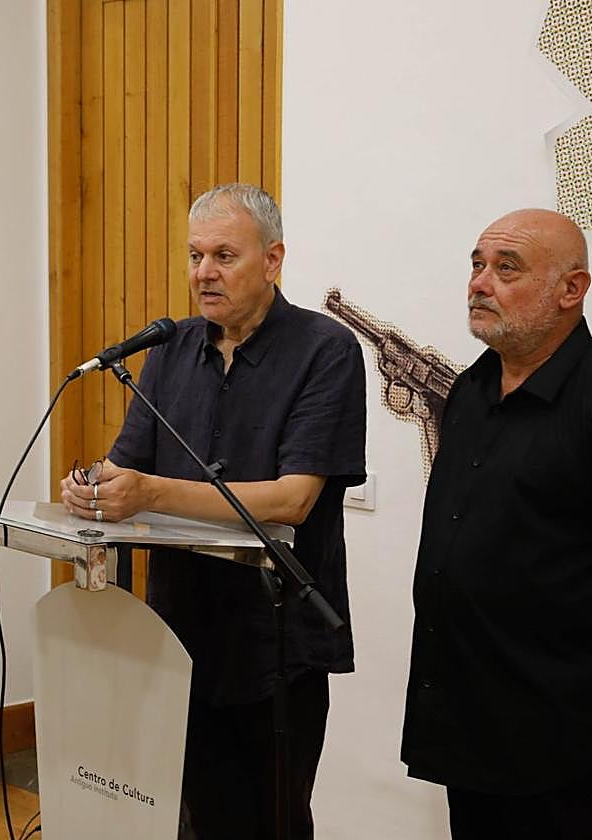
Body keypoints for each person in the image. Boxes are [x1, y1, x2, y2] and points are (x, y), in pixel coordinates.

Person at [60, 183, 367, 838]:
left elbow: (293, 499)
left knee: (272, 822)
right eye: (195, 255)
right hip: (182, 631)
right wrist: (90, 486)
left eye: (224, 255)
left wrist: (147, 491)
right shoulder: (172, 348)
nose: (203, 273)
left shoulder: (325, 351)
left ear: (273, 259)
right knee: (201, 815)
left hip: (275, 640)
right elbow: (125, 464)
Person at [401, 208, 592, 839]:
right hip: (466, 704)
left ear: (572, 290)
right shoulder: (471, 390)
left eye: (506, 268)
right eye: (478, 264)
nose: (480, 283)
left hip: (557, 725)